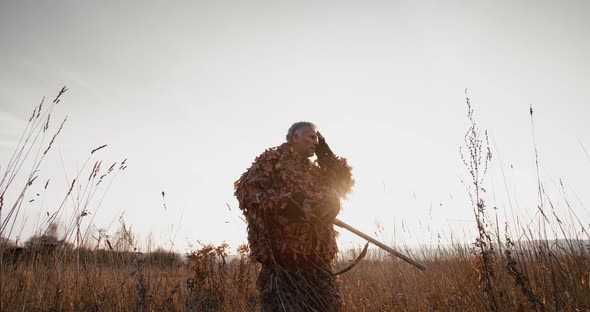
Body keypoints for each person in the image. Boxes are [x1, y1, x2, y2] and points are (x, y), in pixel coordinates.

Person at [234, 122, 354, 311]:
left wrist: (325, 154)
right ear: (295, 138)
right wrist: (288, 204)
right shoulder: (272, 160)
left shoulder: (315, 170)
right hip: (283, 267)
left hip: (319, 264)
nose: (315, 141)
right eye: (311, 137)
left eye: (318, 138)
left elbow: (344, 185)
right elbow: (247, 192)